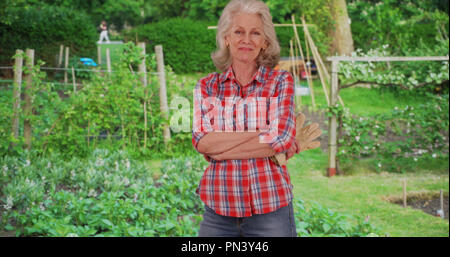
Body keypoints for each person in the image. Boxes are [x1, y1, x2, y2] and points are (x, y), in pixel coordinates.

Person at [192, 0, 321, 237]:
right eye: (238, 31)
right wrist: (264, 134)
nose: (246, 39)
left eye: (255, 33)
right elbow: (202, 141)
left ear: (264, 42)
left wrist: (220, 149)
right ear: (226, 38)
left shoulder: (280, 82)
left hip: (270, 207)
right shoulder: (207, 87)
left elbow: (281, 139)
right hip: (218, 210)